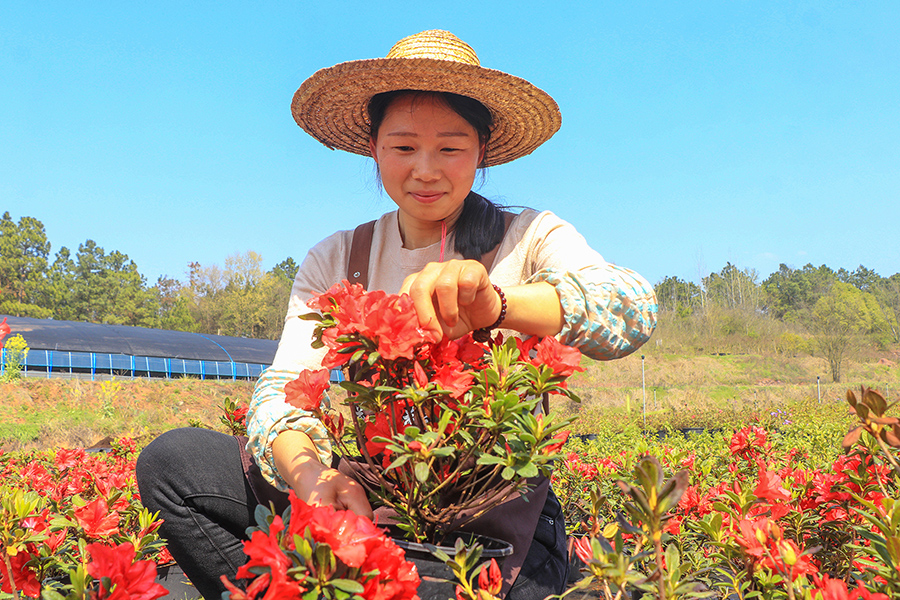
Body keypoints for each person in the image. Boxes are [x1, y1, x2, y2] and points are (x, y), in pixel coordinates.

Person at [137, 29, 657, 600]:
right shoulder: (337, 258)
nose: (426, 170)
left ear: (482, 151)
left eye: (451, 148)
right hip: (377, 491)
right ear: (374, 149)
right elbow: (282, 389)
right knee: (174, 463)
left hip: (494, 512)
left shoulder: (529, 236)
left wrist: (499, 305)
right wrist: (315, 478)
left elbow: (631, 308)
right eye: (404, 147)